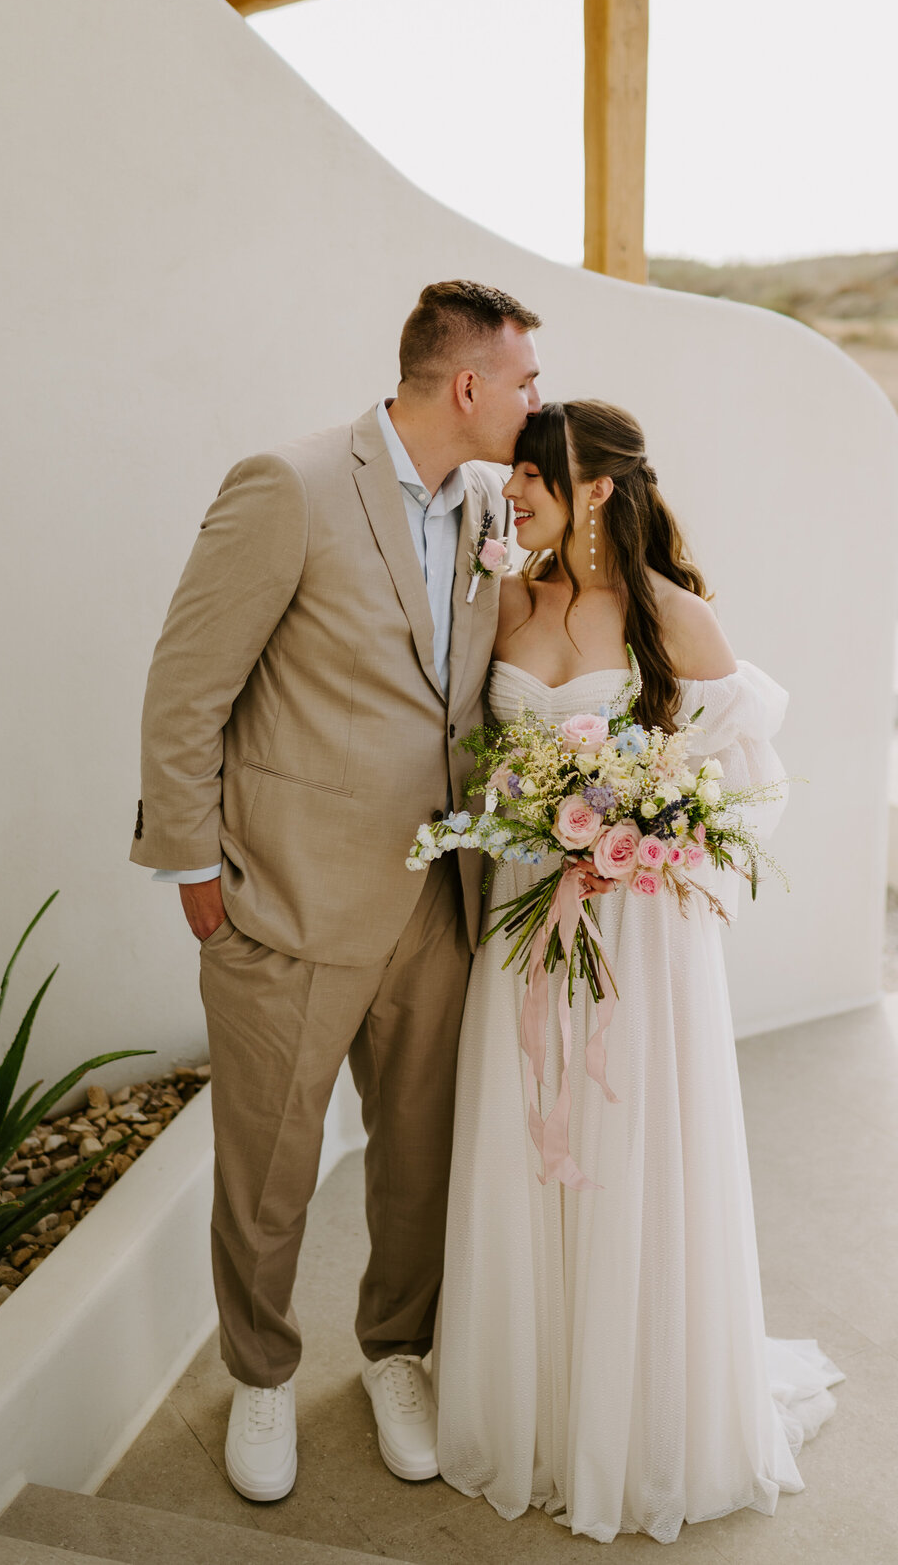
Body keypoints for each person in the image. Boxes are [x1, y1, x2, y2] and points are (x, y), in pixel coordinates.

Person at [130, 281, 541, 1502]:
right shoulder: (289, 484)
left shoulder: (484, 504)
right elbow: (186, 684)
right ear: (466, 385)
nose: (537, 400)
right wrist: (196, 870)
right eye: (525, 379)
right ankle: (260, 1375)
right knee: (270, 1166)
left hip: (442, 902)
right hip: (289, 900)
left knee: (420, 1158)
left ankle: (396, 1354)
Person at [434, 399, 843, 1545]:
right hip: (526, 915)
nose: (513, 489)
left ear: (599, 488)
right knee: (528, 1141)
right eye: (510, 473)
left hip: (642, 939)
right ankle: (535, 1398)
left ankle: (640, 1413)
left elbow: (743, 799)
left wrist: (643, 835)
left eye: (534, 474)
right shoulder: (511, 598)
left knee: (629, 1150)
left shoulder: (675, 619)